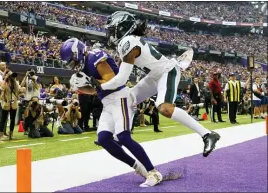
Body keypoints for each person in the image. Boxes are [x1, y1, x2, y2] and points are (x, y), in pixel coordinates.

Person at [93, 11, 220, 159]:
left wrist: (100, 86)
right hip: (155, 75)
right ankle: (118, 136)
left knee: (164, 108)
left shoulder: (128, 42)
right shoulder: (128, 42)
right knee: (128, 98)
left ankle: (207, 134)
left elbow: (121, 79)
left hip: (167, 71)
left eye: (112, 30)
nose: (110, 34)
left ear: (121, 28)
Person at [60, 38, 161, 187]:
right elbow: (95, 91)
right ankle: (139, 168)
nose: (72, 65)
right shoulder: (84, 66)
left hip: (120, 97)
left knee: (123, 137)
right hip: (107, 103)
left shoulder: (95, 57)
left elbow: (112, 80)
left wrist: (91, 81)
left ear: (79, 53)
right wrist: (81, 88)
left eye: (72, 61)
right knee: (104, 139)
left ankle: (153, 172)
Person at [0, 70, 20, 140]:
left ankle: (11, 134)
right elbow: (1, 88)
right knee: (3, 119)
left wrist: (14, 79)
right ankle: (1, 135)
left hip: (14, 104)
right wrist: (6, 78)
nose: (11, 76)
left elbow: (18, 89)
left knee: (12, 119)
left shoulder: (15, 83)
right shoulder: (5, 82)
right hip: (6, 103)